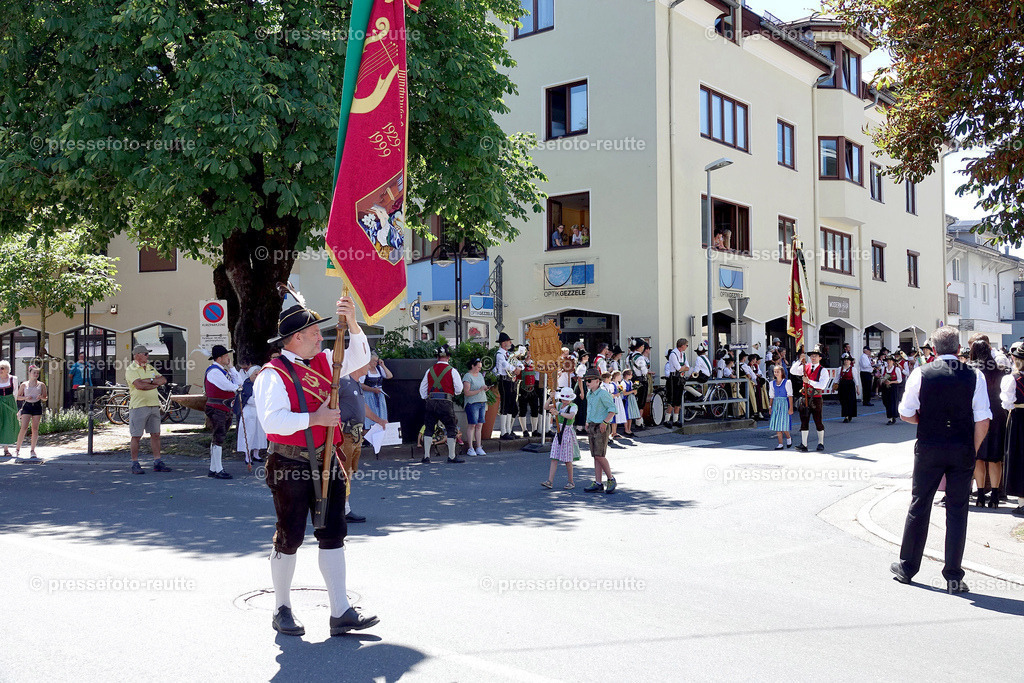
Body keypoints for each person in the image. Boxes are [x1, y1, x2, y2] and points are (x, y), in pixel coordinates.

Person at [254, 293, 377, 637]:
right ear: (295, 338)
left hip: (327, 459)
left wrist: (352, 321)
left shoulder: (327, 360)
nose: (320, 337)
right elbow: (273, 422)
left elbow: (359, 357)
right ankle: (282, 608)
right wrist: (316, 417)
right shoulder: (272, 374)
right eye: (313, 333)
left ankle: (340, 611)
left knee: (333, 534)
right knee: (289, 537)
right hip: (289, 463)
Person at [892, 327, 991, 594]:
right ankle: (953, 575)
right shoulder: (975, 375)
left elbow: (905, 413)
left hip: (929, 446)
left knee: (919, 504)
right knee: (958, 511)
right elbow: (982, 419)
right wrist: (972, 449)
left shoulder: (921, 373)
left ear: (934, 350)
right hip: (961, 448)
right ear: (959, 349)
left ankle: (907, 567)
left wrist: (924, 421)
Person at [970, 339, 1008, 508]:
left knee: (978, 457)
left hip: (977, 414)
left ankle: (979, 496)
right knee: (995, 458)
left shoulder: (971, 370)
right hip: (998, 413)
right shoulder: (1000, 370)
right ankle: (994, 495)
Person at [125, 345, 172, 475]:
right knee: (136, 436)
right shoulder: (131, 369)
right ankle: (134, 462)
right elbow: (139, 386)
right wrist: (154, 382)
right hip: (139, 406)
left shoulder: (150, 367)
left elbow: (163, 380)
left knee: (156, 434)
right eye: (145, 354)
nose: (148, 356)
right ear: (137, 355)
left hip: (153, 405)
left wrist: (149, 381)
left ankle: (157, 461)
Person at [418, 345, 465, 464]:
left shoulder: (429, 370)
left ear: (437, 357)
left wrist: (427, 398)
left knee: (429, 428)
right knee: (451, 427)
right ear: (448, 357)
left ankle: (427, 456)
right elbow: (459, 388)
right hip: (445, 402)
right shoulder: (452, 371)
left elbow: (422, 389)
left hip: (431, 402)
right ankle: (451, 456)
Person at [204, 344, 243, 479]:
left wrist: (232, 368)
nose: (228, 358)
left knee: (218, 437)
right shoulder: (214, 371)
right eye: (226, 355)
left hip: (224, 407)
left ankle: (213, 468)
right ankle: (218, 469)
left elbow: (239, 381)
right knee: (218, 437)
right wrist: (237, 388)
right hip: (217, 408)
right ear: (220, 357)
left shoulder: (223, 371)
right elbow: (226, 386)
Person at [583, 367, 617, 493]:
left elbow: (612, 409)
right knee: (596, 456)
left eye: (590, 380)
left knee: (600, 455)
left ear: (598, 381)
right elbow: (590, 409)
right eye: (586, 380)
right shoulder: (589, 394)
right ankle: (598, 482)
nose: (587, 382)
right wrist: (587, 421)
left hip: (601, 426)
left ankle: (611, 478)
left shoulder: (603, 393)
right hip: (592, 424)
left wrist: (605, 422)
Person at [795, 346, 829, 452]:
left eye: (815, 356)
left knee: (818, 420)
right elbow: (793, 371)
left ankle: (820, 443)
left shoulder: (823, 370)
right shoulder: (806, 367)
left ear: (820, 358)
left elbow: (822, 386)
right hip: (805, 397)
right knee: (804, 420)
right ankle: (804, 444)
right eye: (812, 356)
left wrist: (809, 381)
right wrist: (799, 361)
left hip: (816, 398)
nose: (813, 358)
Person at [1003, 344, 1024, 516]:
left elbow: (1006, 403)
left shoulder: (1012, 378)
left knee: (1018, 457)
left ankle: (1022, 502)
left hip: (1019, 419)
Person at [543, 387, 578, 490]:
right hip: (558, 432)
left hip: (567, 432)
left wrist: (558, 413)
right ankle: (550, 481)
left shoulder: (573, 406)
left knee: (567, 459)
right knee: (554, 457)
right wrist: (550, 398)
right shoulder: (558, 404)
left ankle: (571, 481)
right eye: (562, 398)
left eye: (566, 398)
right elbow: (546, 407)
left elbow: (571, 416)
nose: (564, 400)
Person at [235, 358, 268, 467]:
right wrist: (259, 400)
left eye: (259, 374)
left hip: (259, 412)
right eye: (255, 374)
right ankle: (247, 455)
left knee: (259, 433)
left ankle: (256, 454)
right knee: (248, 433)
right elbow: (247, 398)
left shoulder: (262, 384)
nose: (257, 376)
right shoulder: (246, 384)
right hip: (249, 411)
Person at [14, 364, 47, 462]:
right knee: (23, 427)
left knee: (35, 428)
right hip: (27, 406)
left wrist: (41, 397)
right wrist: (25, 398)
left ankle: (32, 450)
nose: (36, 374)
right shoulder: (24, 384)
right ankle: (17, 449)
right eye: (34, 373)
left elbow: (45, 398)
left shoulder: (41, 385)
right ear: (29, 373)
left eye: (37, 373)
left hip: (37, 406)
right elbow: (18, 397)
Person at [462, 358, 489, 456]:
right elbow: (466, 392)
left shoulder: (480, 375)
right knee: (472, 425)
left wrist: (484, 389)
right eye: (478, 367)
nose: (479, 369)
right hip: (472, 403)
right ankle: (470, 447)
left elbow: (482, 386)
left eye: (480, 367)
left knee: (479, 425)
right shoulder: (467, 376)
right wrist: (480, 390)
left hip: (482, 401)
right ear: (472, 366)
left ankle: (478, 446)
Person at [359, 353, 392, 432]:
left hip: (379, 396)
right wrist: (372, 390)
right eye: (374, 361)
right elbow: (361, 385)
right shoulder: (365, 370)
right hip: (368, 395)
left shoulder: (379, 369)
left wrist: (383, 365)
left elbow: (389, 376)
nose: (376, 363)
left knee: (381, 414)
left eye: (377, 361)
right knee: (370, 416)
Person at [495, 332, 518, 440]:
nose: (511, 343)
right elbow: (505, 365)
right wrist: (515, 369)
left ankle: (509, 430)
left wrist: (520, 367)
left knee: (511, 404)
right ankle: (503, 432)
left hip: (511, 380)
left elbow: (517, 362)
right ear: (504, 343)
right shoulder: (500, 354)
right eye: (509, 341)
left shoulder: (508, 354)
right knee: (505, 405)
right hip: (504, 380)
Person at [767, 364, 793, 449]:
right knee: (778, 424)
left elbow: (790, 396)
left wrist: (791, 408)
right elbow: (771, 396)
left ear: (782, 372)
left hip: (784, 403)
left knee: (784, 423)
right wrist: (770, 407)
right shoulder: (772, 383)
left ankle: (788, 438)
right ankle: (780, 443)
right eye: (775, 371)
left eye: (778, 371)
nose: (776, 373)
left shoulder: (787, 382)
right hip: (776, 404)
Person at [517, 359, 543, 438]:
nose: (529, 354)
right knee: (523, 409)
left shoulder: (534, 362)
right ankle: (524, 430)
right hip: (522, 388)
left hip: (533, 388)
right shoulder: (519, 361)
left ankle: (534, 430)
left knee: (535, 408)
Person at [0, 361, 18, 457]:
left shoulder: (13, 379)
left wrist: (13, 406)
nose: (0, 370)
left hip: (9, 404)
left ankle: (6, 449)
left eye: (2, 368)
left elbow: (15, 393)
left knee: (7, 424)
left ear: (7, 369)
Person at [880, 355, 904, 425]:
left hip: (893, 386)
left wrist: (891, 382)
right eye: (887, 360)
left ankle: (891, 417)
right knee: (885, 401)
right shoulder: (884, 368)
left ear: (893, 361)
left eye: (890, 360)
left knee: (892, 402)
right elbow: (882, 377)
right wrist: (883, 380)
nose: (888, 362)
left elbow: (900, 380)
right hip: (886, 386)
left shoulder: (897, 369)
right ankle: (893, 415)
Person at [836, 353, 860, 423]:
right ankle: (845, 415)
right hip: (842, 385)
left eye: (848, 360)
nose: (846, 361)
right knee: (843, 401)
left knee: (850, 400)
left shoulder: (853, 369)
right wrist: (834, 386)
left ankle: (849, 415)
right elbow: (837, 378)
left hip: (850, 385)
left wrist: (857, 389)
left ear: (850, 361)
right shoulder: (840, 369)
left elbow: (856, 379)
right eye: (845, 360)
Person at [622, 369, 641, 436]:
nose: (632, 376)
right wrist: (632, 391)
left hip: (630, 400)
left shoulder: (630, 382)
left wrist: (635, 390)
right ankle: (626, 429)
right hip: (625, 400)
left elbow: (634, 392)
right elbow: (624, 393)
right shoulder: (623, 383)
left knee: (630, 415)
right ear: (627, 375)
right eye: (630, 374)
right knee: (626, 415)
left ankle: (629, 429)